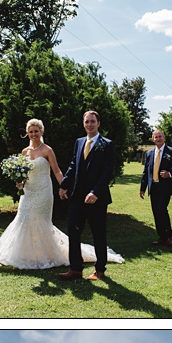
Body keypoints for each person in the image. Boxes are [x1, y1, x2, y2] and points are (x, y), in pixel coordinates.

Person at [0, 119, 120, 273]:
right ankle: (26, 256)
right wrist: (19, 183)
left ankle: (84, 265)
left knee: (40, 222)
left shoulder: (47, 150)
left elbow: (57, 171)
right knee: (23, 219)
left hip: (43, 191)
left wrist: (62, 185)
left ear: (41, 132)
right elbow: (24, 174)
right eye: (31, 132)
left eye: (36, 131)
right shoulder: (24, 152)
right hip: (28, 192)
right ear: (27, 134)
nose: (33, 134)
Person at [56, 110, 119, 282]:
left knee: (98, 234)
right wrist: (64, 185)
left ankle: (100, 269)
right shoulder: (79, 142)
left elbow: (107, 172)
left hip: (96, 199)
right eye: (86, 122)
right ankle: (75, 269)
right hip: (77, 197)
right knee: (73, 232)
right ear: (83, 123)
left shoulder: (107, 144)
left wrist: (96, 192)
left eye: (92, 121)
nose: (89, 124)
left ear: (98, 123)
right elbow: (73, 165)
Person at [139, 127, 172, 247]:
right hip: (154, 187)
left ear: (164, 138)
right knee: (156, 212)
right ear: (153, 139)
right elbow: (146, 172)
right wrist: (142, 188)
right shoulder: (149, 153)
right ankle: (162, 237)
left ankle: (170, 236)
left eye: (160, 136)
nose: (158, 139)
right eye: (156, 137)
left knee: (162, 210)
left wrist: (170, 173)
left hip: (165, 187)